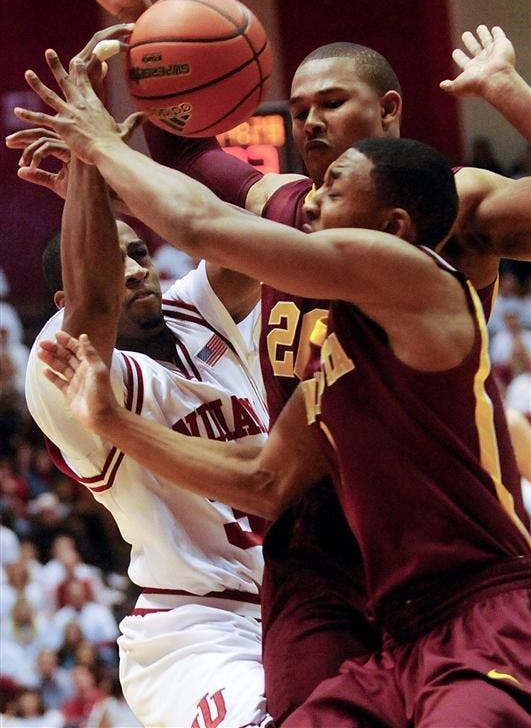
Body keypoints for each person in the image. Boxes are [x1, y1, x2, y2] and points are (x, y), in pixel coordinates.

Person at [38, 136, 531, 726]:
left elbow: (212, 223)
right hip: (214, 618)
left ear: (392, 225)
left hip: (469, 605)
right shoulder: (326, 354)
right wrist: (110, 419)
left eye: (331, 192)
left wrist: (98, 150)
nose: (310, 204)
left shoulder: (409, 279)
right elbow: (265, 479)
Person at [12, 30, 272, 728]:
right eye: (115, 257)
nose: (133, 269)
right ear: (61, 300)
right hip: (197, 629)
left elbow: (238, 227)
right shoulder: (64, 364)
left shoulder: (199, 308)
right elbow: (94, 299)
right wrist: (89, 152)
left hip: (307, 596)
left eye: (139, 253)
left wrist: (131, 142)